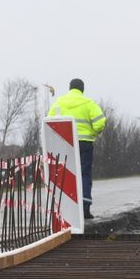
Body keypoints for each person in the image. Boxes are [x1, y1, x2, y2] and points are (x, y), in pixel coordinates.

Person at [48, 78, 107, 219]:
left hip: (65, 144)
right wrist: (92, 133)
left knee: (65, 175)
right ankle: (85, 209)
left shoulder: (59, 103)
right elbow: (100, 123)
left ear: (70, 88)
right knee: (84, 174)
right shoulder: (89, 103)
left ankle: (65, 210)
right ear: (82, 89)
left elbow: (50, 122)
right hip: (84, 144)